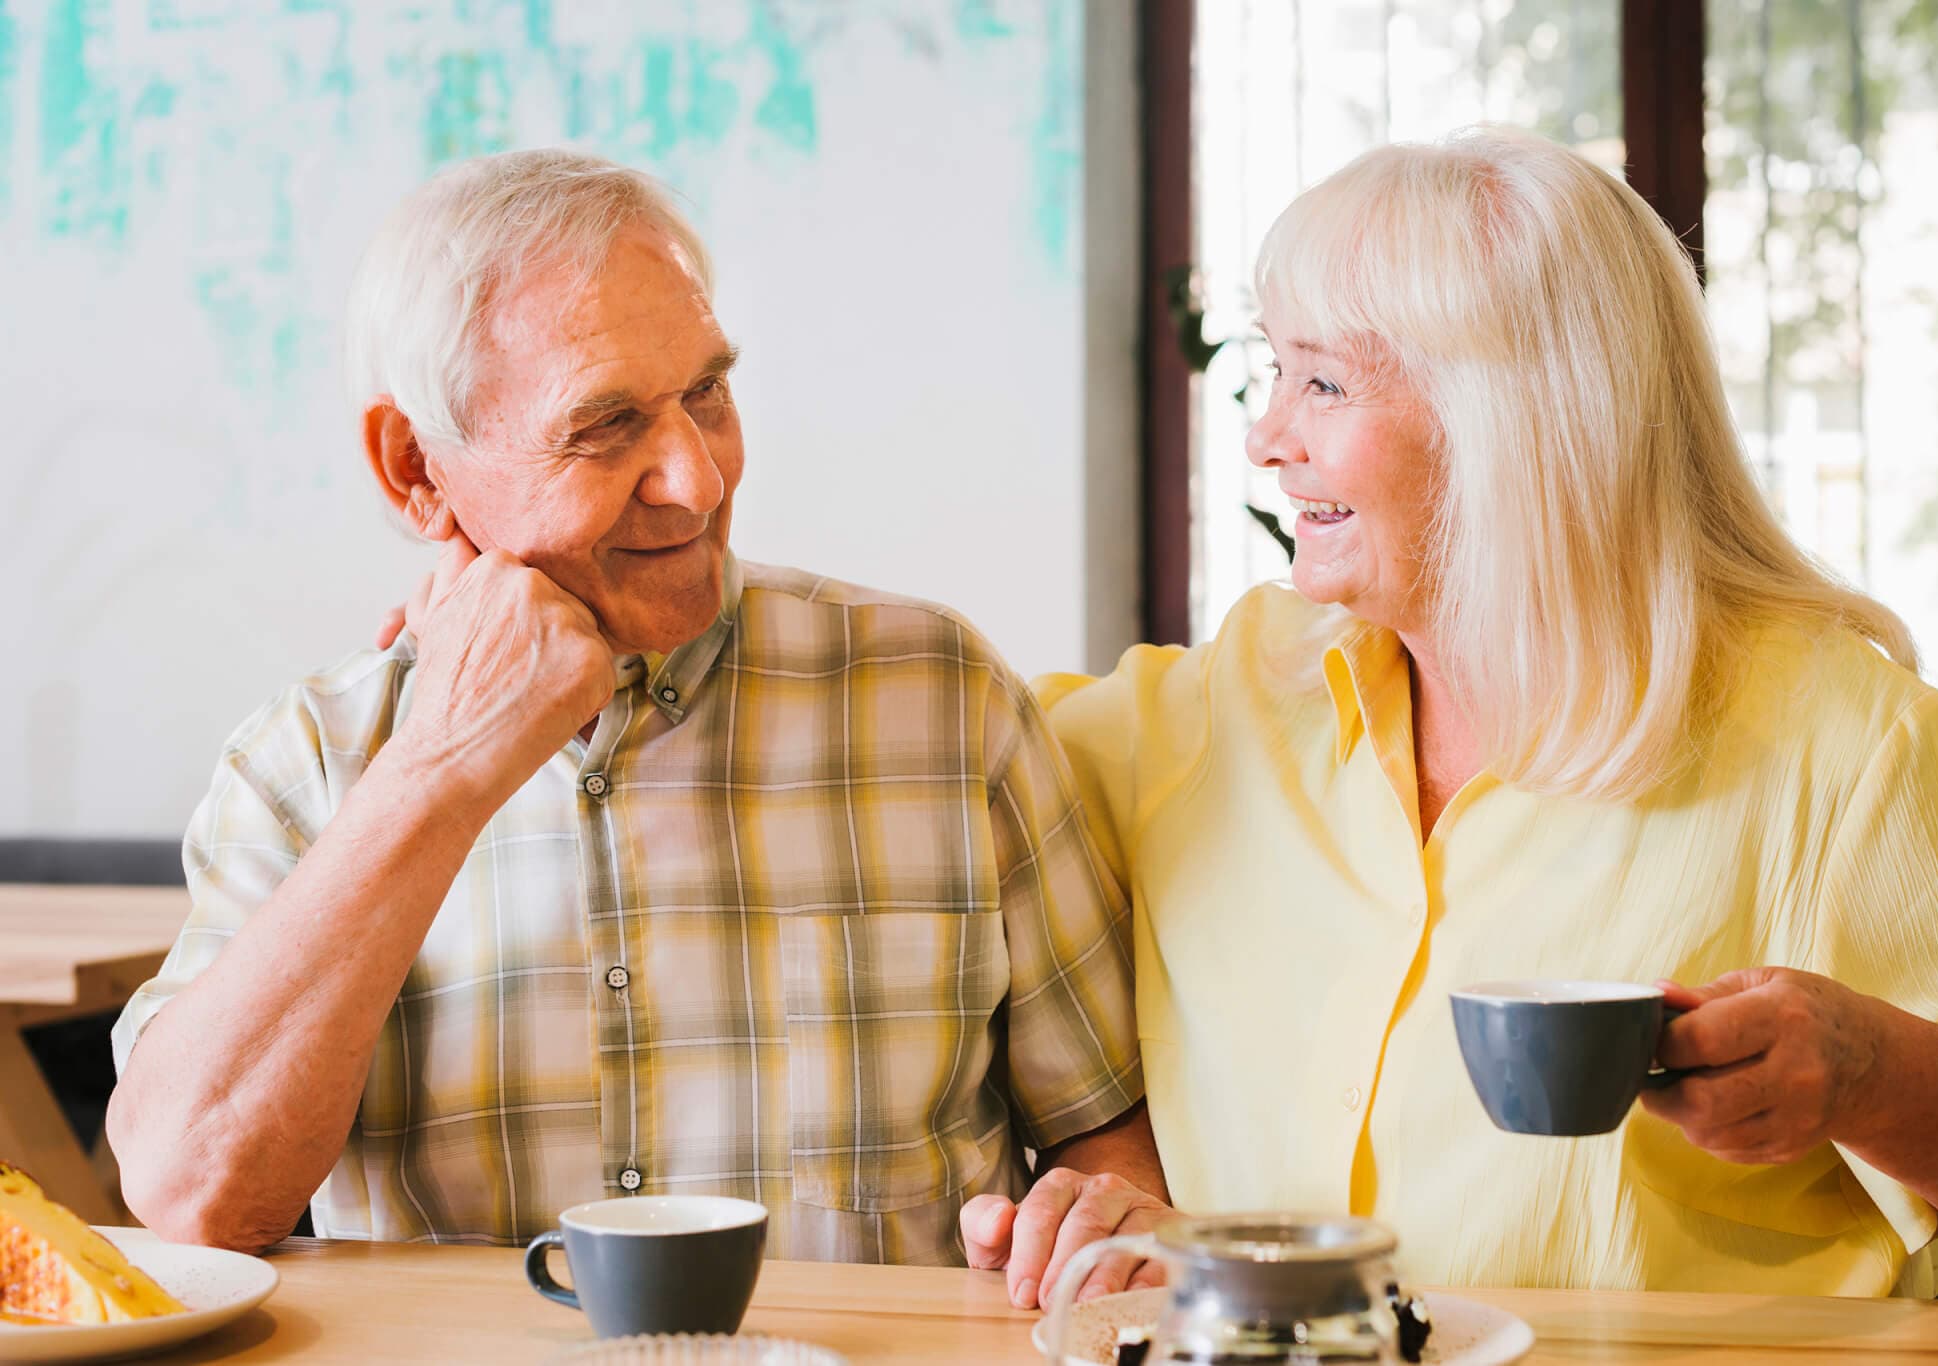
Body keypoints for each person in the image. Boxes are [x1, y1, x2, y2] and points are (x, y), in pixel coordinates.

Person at [105, 150, 1168, 1304]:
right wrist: (441, 768)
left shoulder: (941, 699)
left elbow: (1105, 1141)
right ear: (417, 469)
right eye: (606, 426)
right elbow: (191, 1196)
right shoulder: (305, 768)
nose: (697, 480)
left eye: (707, 392)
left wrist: (1101, 1220)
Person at [1017, 128, 1938, 1295]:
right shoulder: (1228, 699)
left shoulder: (1842, 743)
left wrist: (1872, 1073)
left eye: (1322, 381)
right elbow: (942, 756)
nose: (1265, 437)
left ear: (1506, 417)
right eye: (1273, 370)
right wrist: (1113, 1171)